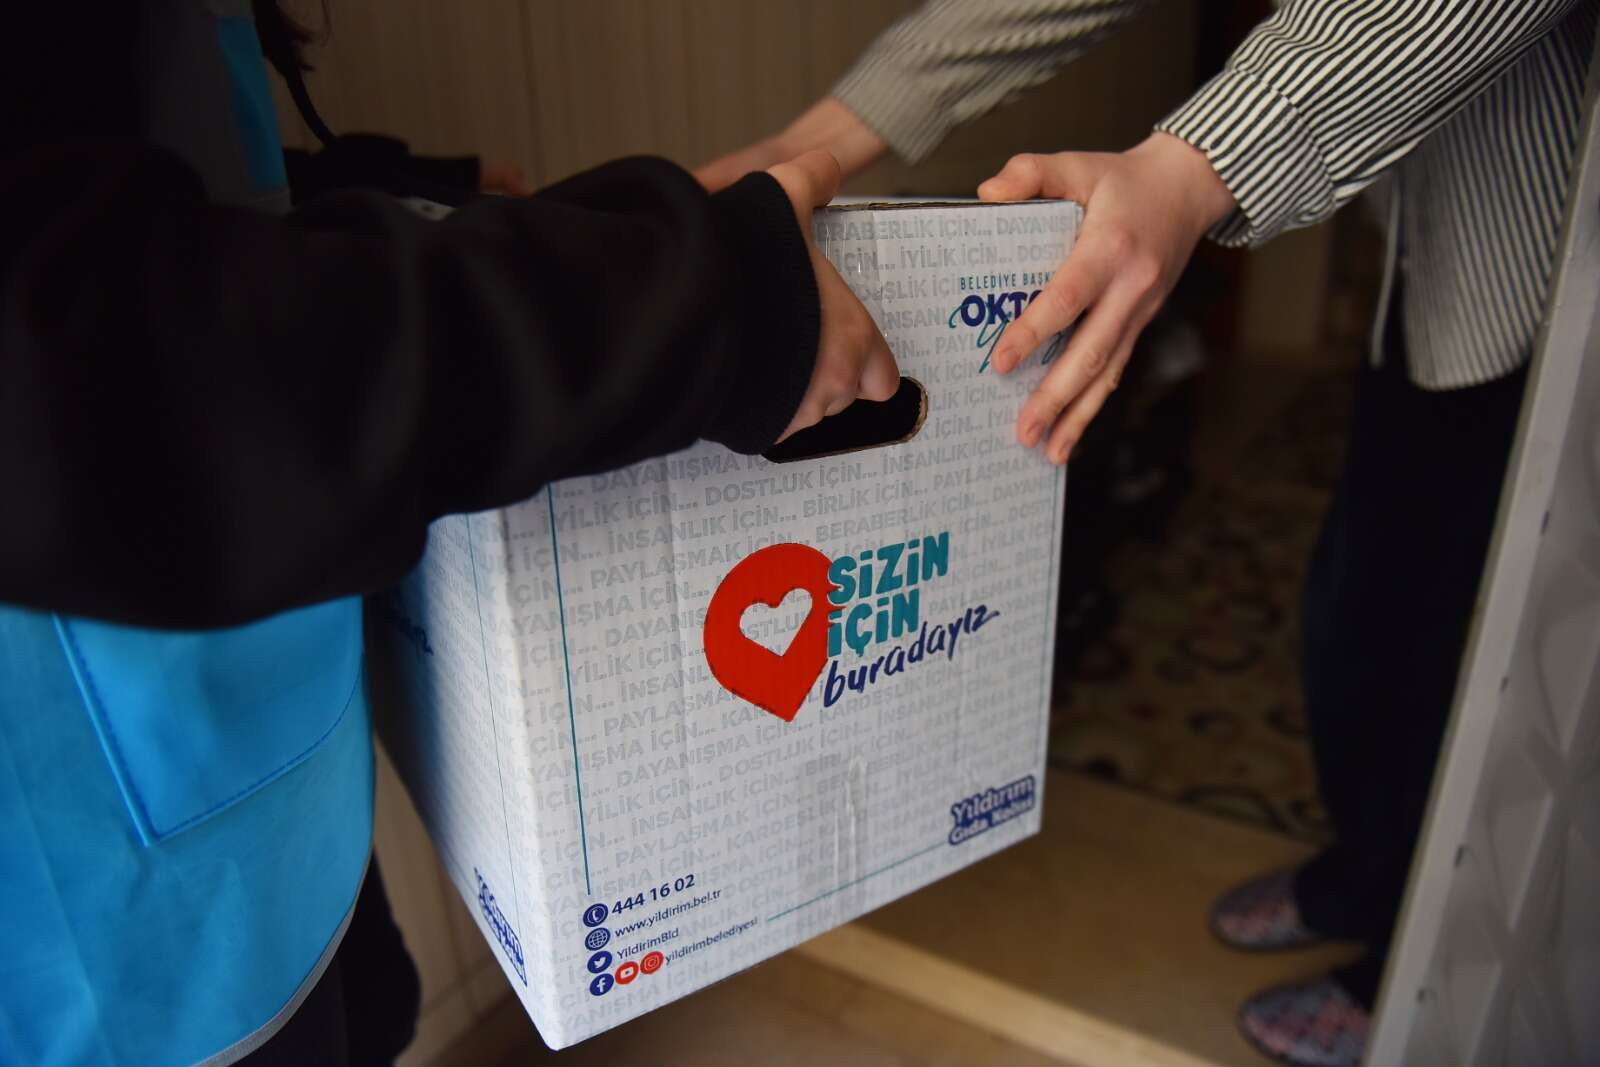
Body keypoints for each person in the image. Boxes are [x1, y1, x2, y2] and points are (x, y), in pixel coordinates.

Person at [699, 2, 1598, 1064]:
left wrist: (1192, 168)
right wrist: (816, 141)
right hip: (1441, 245)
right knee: (1362, 611)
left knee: (1476, 661)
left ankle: (1412, 968)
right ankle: (1369, 877)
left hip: (1554, 265)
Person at [0, 3, 897, 1065]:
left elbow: (153, 170)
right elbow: (98, 355)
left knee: (365, 1012)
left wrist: (399, 194)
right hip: (103, 928)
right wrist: (710, 302)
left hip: (256, 774)